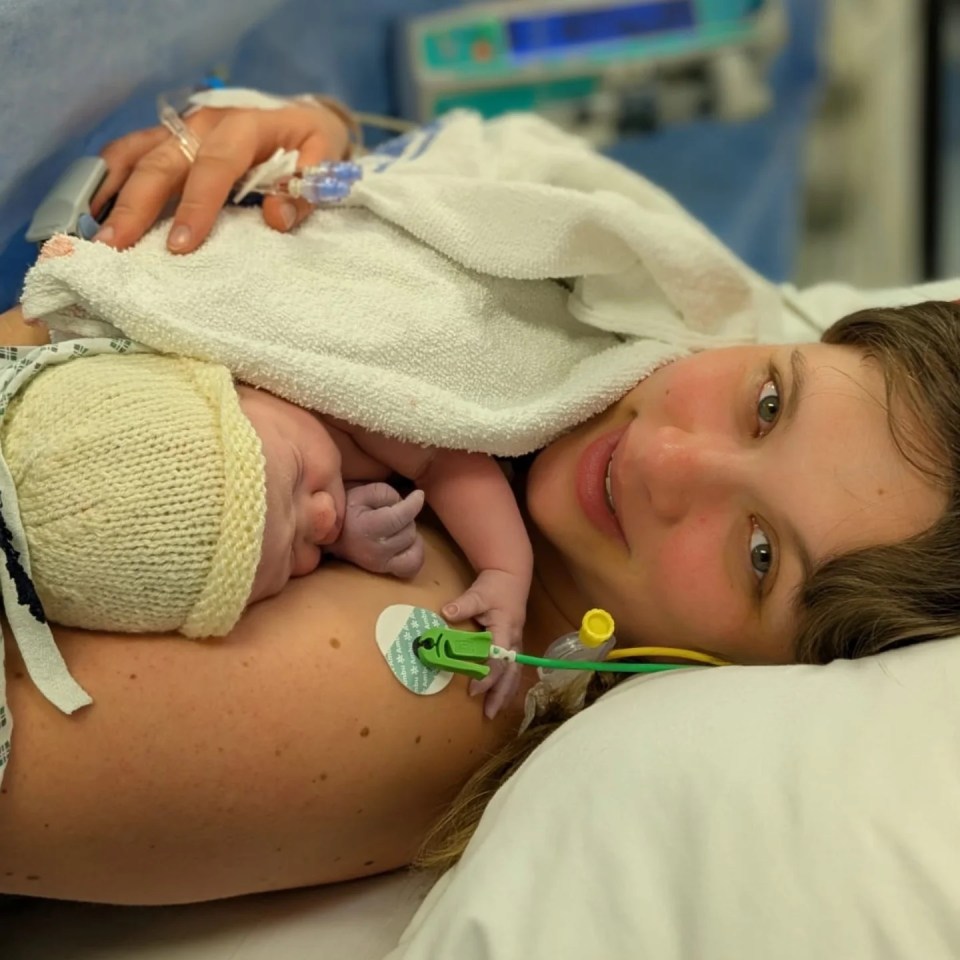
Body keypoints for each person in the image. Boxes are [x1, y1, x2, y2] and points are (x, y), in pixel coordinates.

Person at [0, 95, 958, 905]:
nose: (667, 460)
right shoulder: (622, 314)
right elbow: (417, 168)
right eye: (767, 403)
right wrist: (312, 144)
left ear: (769, 671)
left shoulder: (440, 666)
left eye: (759, 555)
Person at [0, 339, 530, 719]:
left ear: (238, 390)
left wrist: (504, 568)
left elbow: (442, 458)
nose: (323, 520)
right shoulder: (280, 441)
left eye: (300, 476)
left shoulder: (316, 389)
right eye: (293, 558)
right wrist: (350, 539)